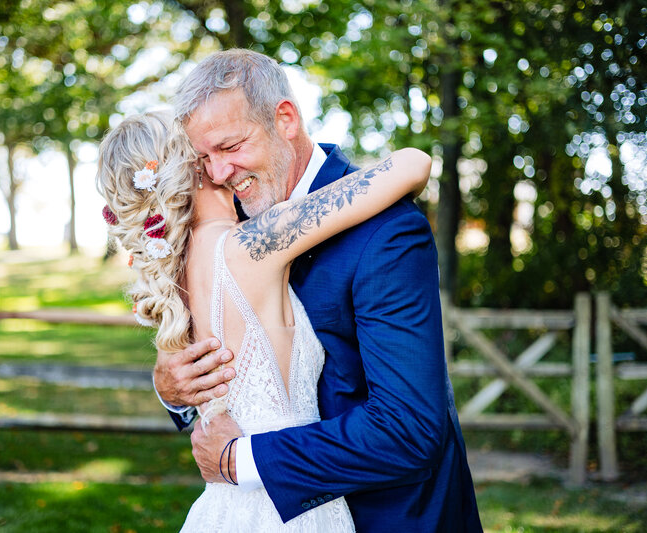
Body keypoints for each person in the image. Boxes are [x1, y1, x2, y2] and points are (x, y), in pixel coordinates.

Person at [153, 49, 483, 532]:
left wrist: (240, 461)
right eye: (204, 158)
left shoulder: (386, 232)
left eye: (231, 146)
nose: (220, 172)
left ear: (285, 118)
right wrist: (174, 391)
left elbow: (409, 429)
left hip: (391, 519)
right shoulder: (229, 233)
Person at [96, 108, 431, 531]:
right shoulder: (254, 242)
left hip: (225, 504)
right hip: (290, 504)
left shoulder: (174, 273)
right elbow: (414, 164)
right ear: (193, 164)